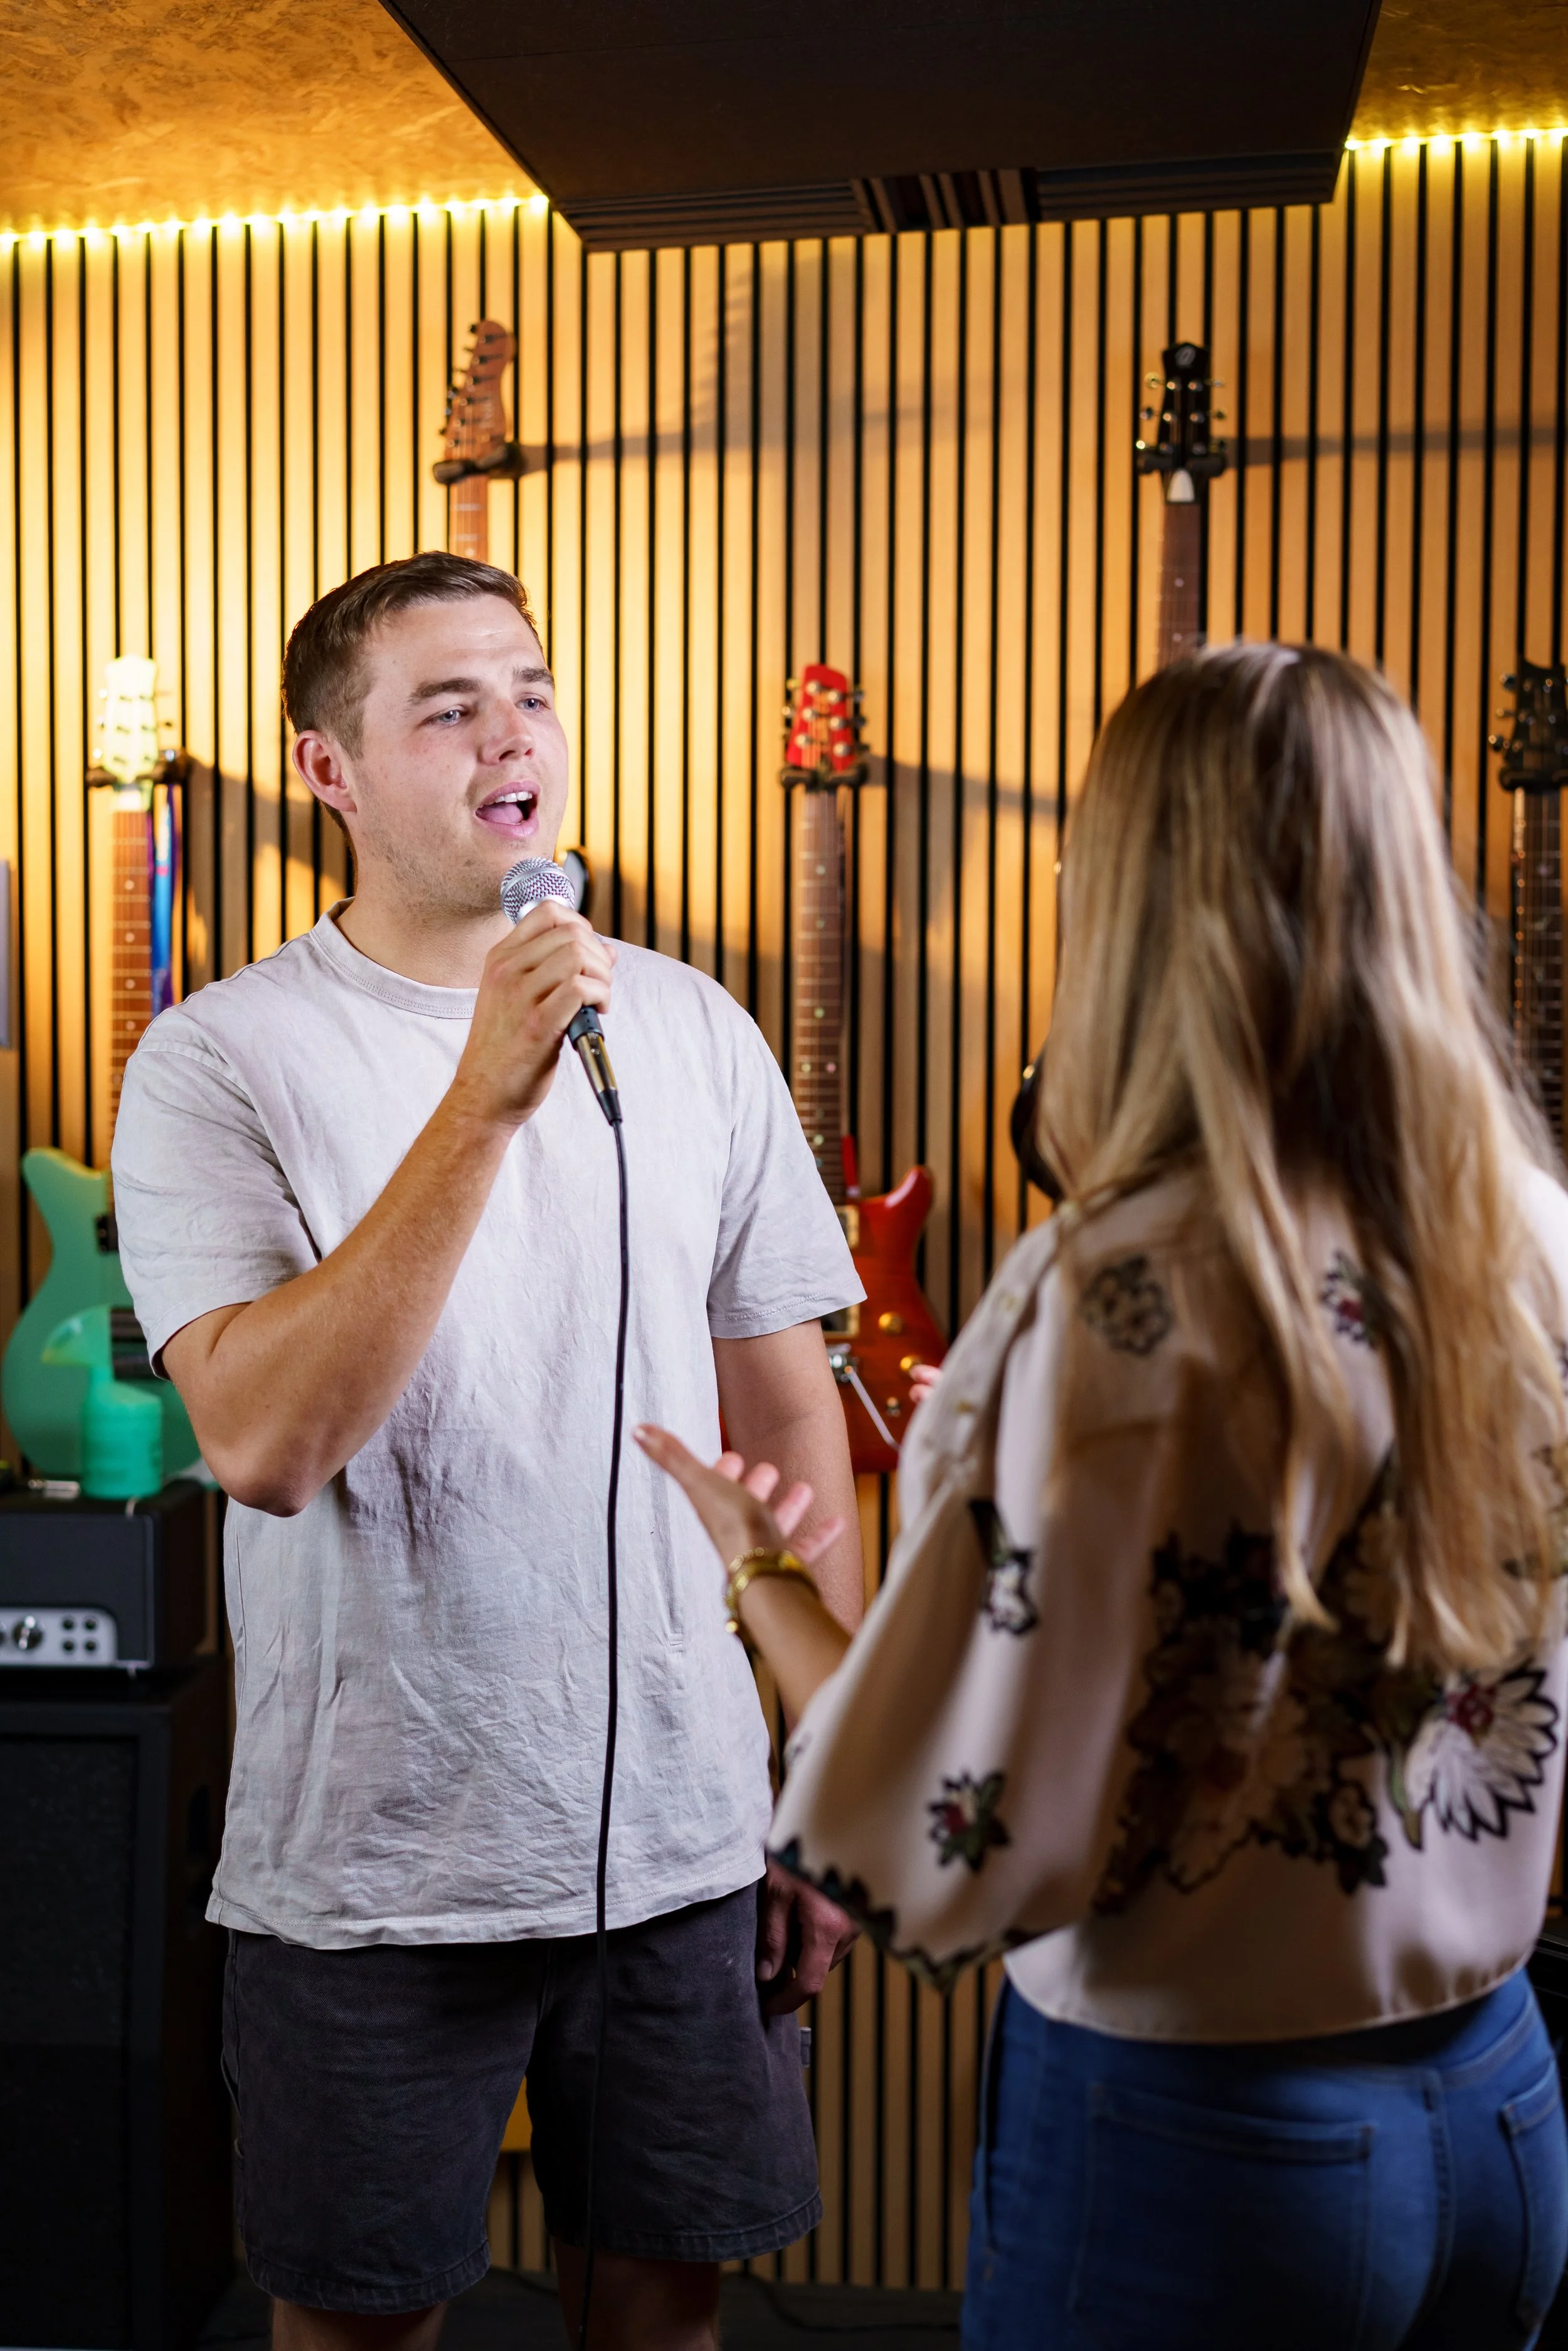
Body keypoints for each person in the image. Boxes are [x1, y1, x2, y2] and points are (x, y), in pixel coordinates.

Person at [638, 640, 1568, 2350]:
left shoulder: (1123, 1296)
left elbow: (935, 1832)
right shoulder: (1525, 1237)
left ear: (1130, 894)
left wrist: (754, 1558)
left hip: (1210, 2145)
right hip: (1499, 2107)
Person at [110, 551, 865, 2351]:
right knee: (361, 2324)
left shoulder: (693, 1030)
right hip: (370, 1869)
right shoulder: (220, 1061)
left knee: (664, 2312)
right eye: (447, 706)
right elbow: (268, 1442)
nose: (510, 732)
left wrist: (829, 1794)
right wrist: (481, 1098)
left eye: (527, 689)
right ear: (330, 771)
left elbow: (791, 1434)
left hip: (685, 1844)